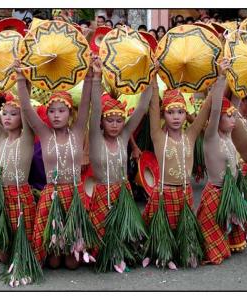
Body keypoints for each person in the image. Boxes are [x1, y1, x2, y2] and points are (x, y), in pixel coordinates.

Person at [16, 59, 95, 269]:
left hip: (75, 195)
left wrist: (89, 76)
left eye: (61, 110)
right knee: (52, 262)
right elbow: (25, 107)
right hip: (51, 195)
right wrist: (20, 78)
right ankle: (54, 248)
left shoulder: (78, 131)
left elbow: (87, 103)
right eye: (52, 111)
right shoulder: (43, 133)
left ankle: (70, 247)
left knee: (71, 264)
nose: (56, 115)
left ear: (70, 113)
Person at [142, 64, 213, 268]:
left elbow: (206, 109)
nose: (176, 117)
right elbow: (153, 107)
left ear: (185, 115)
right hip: (163, 195)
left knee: (186, 249)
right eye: (171, 112)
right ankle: (160, 250)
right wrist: (154, 80)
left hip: (184, 194)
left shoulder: (190, 136)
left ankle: (183, 247)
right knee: (162, 246)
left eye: (180, 112)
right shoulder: (158, 136)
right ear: (164, 115)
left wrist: (219, 80)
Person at [88, 57, 153, 270]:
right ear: (101, 122)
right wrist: (97, 78)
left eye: (119, 120)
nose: (115, 125)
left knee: (128, 240)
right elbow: (95, 108)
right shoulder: (96, 137)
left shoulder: (124, 136)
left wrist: (150, 77)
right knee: (99, 243)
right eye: (110, 120)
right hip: (101, 193)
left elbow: (142, 108)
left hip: (123, 193)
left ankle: (121, 253)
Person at [0, 84, 36, 261]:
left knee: (20, 247)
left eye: (13, 114)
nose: (8, 118)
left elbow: (26, 107)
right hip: (0, 195)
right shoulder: (1, 137)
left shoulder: (27, 138)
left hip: (20, 195)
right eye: (5, 114)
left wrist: (23, 80)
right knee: (3, 255)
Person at [196, 59, 236, 264]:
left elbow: (236, 97)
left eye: (234, 116)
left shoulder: (229, 136)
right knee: (215, 251)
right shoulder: (212, 136)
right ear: (218, 120)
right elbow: (214, 109)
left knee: (227, 234)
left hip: (230, 193)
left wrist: (236, 73)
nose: (234, 120)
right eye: (229, 116)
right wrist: (220, 78)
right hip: (215, 193)